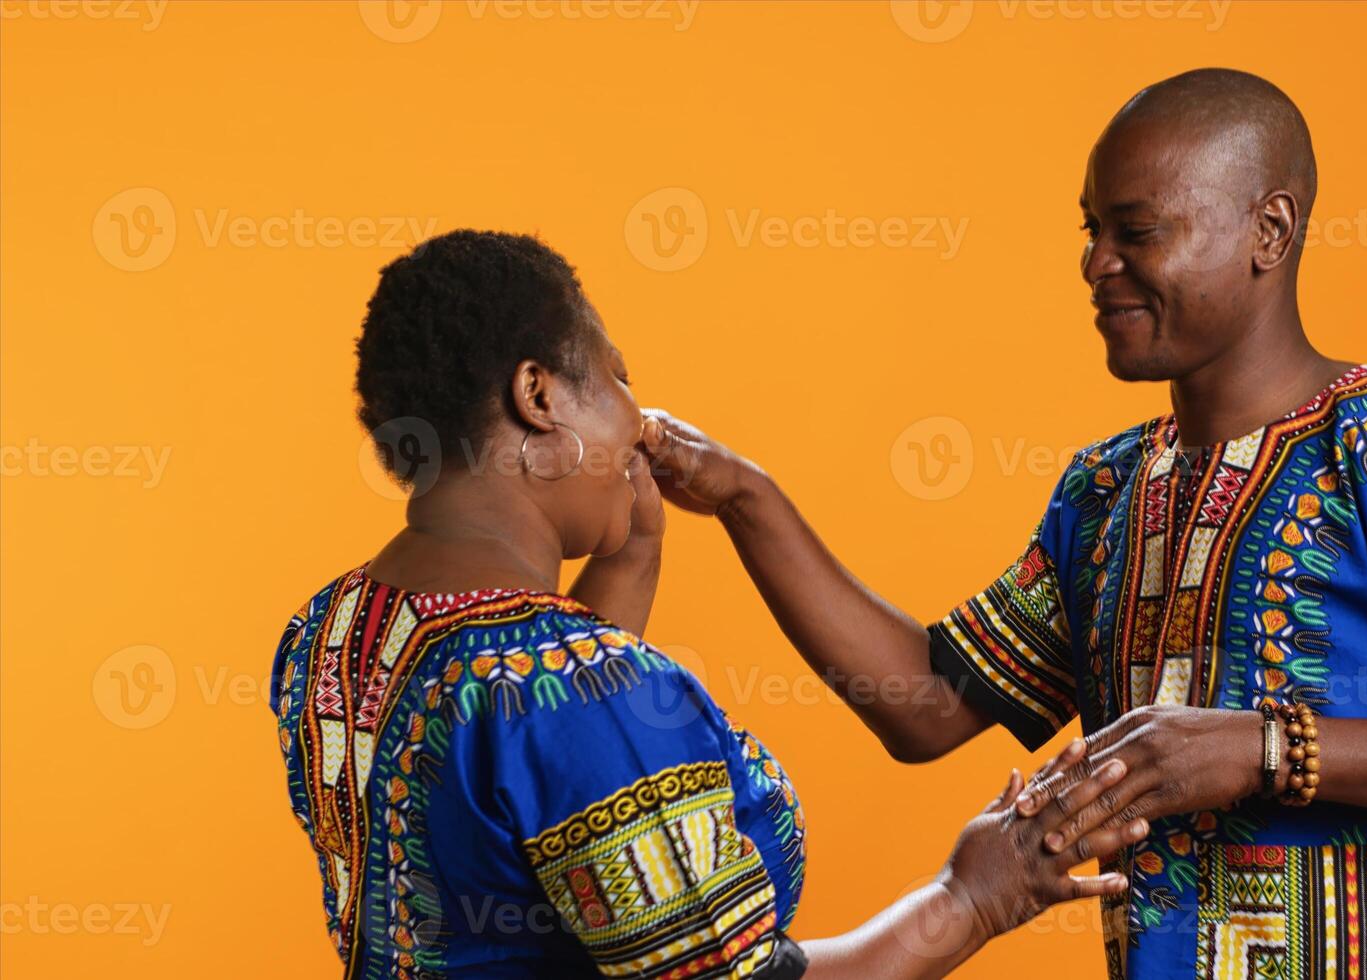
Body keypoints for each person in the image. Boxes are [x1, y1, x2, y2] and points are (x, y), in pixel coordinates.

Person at [638, 69, 1367, 979]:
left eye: (1137, 230)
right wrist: (743, 496)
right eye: (1090, 229)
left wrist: (1267, 747)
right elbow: (927, 702)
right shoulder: (1105, 493)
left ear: (1269, 231)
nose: (1095, 262)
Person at [270, 229, 1152, 978]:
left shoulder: (333, 627)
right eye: (617, 380)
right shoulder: (586, 691)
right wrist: (973, 897)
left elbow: (542, 791)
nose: (640, 419)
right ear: (539, 397)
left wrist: (638, 541)